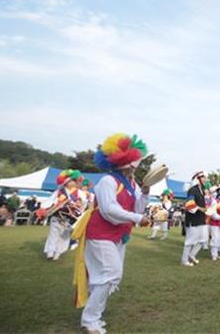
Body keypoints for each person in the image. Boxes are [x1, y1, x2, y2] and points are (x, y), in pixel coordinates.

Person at [70, 133, 151, 334]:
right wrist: (138, 219)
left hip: (119, 236)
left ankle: (94, 318)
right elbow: (108, 210)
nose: (137, 167)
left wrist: (146, 193)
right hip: (100, 233)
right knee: (112, 273)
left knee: (108, 277)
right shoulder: (108, 181)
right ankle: (90, 320)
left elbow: (138, 208)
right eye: (135, 163)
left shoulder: (132, 184)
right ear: (126, 162)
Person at [44, 170, 83, 260]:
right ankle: (50, 252)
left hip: (70, 218)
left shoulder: (79, 193)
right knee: (53, 234)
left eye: (73, 181)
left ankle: (57, 253)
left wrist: (78, 205)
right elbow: (50, 201)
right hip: (57, 216)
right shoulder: (59, 191)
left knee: (64, 236)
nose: (71, 183)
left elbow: (82, 204)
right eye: (69, 181)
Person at [182, 171, 208, 266]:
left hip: (201, 219)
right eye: (203, 177)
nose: (205, 179)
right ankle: (184, 260)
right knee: (189, 241)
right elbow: (189, 205)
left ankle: (192, 255)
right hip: (193, 219)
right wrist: (201, 209)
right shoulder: (193, 190)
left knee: (203, 239)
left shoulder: (201, 190)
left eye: (205, 177)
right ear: (197, 179)